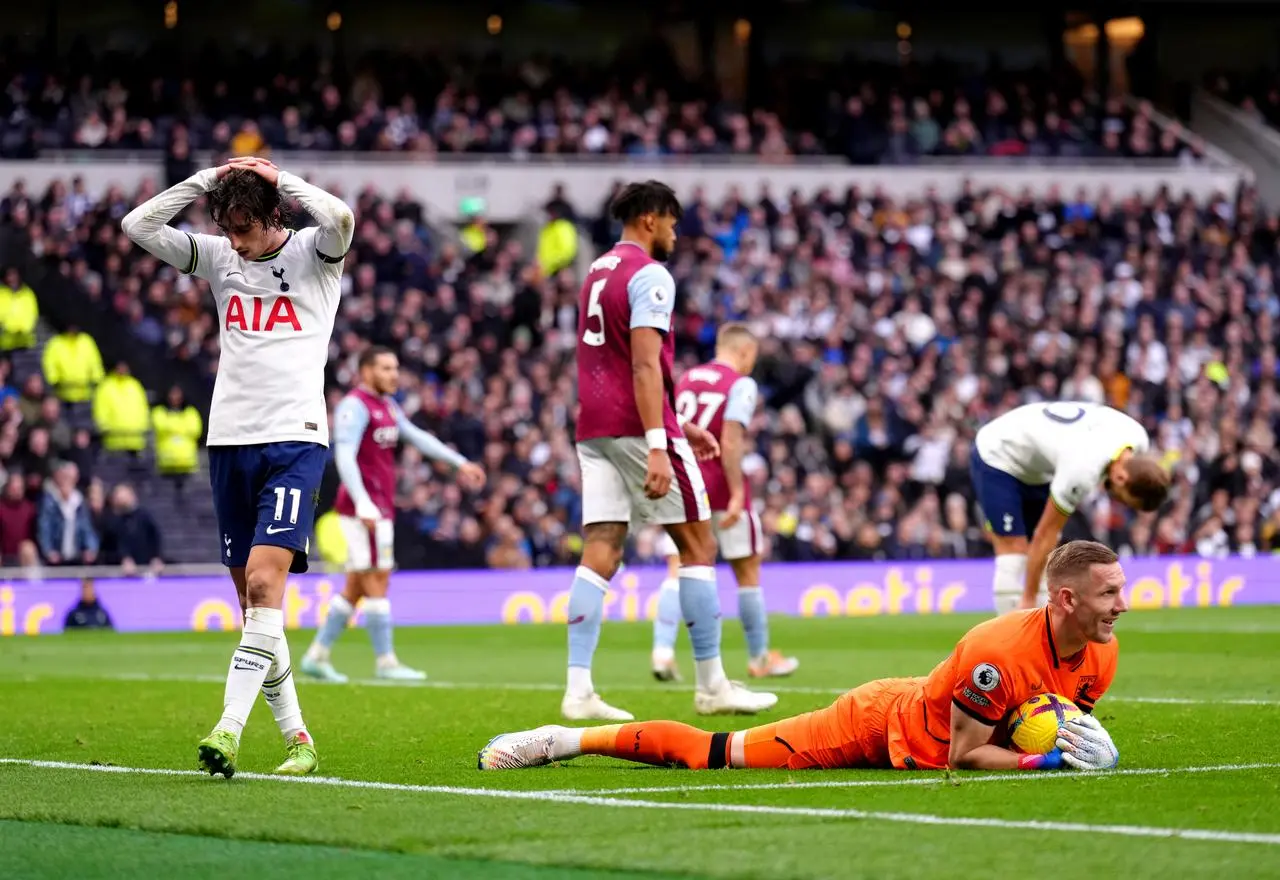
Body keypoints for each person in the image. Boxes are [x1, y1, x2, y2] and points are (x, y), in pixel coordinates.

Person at [479, 540, 1124, 774]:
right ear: (1066, 599)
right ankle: (565, 739)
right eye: (1109, 592)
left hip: (925, 720)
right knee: (713, 753)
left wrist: (1073, 741)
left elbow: (1050, 719)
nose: (1122, 604)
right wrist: (1045, 762)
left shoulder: (1102, 655)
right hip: (877, 722)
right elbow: (966, 756)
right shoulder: (996, 651)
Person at [122, 155, 355, 779]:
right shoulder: (222, 257)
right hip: (228, 441)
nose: (236, 242)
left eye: (245, 228)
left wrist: (281, 179)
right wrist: (205, 181)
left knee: (262, 586)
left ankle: (227, 728)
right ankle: (299, 739)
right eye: (226, 228)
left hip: (296, 440)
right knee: (254, 610)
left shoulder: (313, 252)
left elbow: (340, 215)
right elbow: (138, 226)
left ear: (271, 215)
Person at [564, 180, 776, 721]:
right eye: (674, 223)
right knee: (699, 548)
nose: (677, 235)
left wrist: (679, 417)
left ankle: (578, 689)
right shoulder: (650, 274)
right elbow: (640, 363)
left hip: (594, 426)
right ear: (652, 219)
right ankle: (712, 686)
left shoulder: (597, 270)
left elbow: (609, 361)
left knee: (602, 548)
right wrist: (661, 440)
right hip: (639, 426)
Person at [300, 346, 485, 683]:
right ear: (366, 371)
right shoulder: (354, 407)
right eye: (386, 368)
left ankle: (317, 655)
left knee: (357, 584)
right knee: (377, 577)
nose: (394, 374)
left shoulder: (387, 406)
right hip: (363, 509)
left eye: (395, 368)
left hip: (378, 505)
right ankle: (386, 661)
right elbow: (345, 456)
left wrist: (460, 463)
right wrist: (363, 502)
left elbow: (419, 438)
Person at [651, 323, 797, 682]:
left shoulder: (686, 379)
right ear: (745, 352)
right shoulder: (741, 384)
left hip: (683, 482)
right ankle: (760, 657)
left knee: (679, 567)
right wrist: (735, 491)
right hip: (718, 483)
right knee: (747, 573)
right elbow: (730, 440)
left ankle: (663, 652)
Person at [970, 402, 1169, 614]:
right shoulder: (1082, 470)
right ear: (1121, 477)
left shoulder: (1137, 437)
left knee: (1049, 554)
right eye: (1125, 499)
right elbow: (1044, 534)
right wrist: (1027, 598)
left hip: (1039, 465)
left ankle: (1039, 631)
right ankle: (1010, 631)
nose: (1119, 500)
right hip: (999, 454)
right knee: (1014, 548)